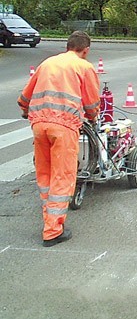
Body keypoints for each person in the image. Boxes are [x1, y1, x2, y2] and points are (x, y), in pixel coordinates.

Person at [17, 31, 100, 247]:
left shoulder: (47, 63)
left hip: (39, 125)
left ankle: (50, 219)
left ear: (67, 46)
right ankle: (53, 231)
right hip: (63, 127)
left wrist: (27, 110)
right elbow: (91, 104)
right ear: (86, 50)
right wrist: (93, 117)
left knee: (45, 174)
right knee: (63, 176)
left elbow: (25, 96)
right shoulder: (84, 67)